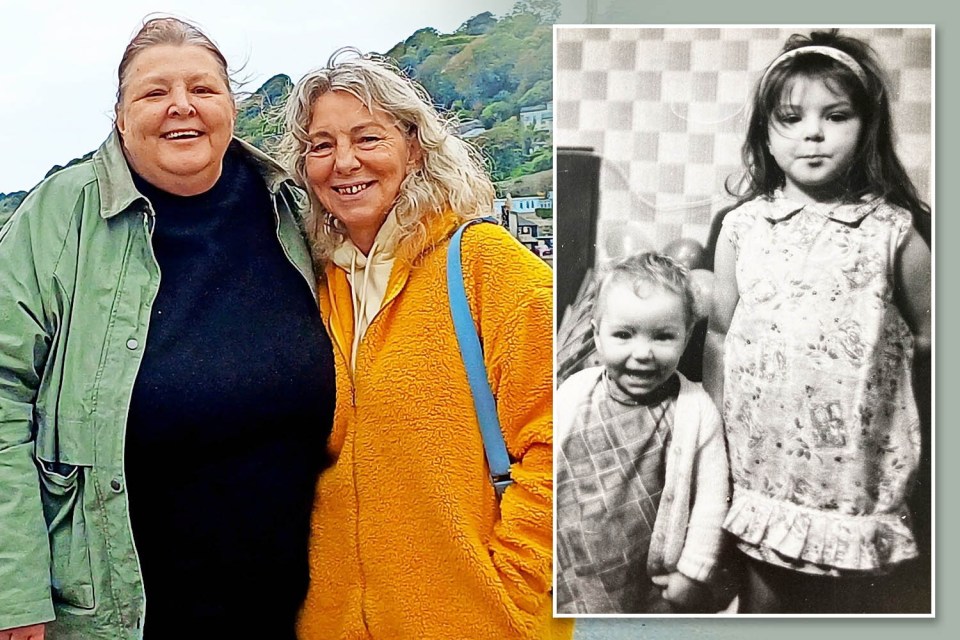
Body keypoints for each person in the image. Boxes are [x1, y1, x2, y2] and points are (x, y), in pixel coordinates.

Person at [0, 17, 335, 640]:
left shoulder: (293, 209)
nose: (182, 105)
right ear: (120, 117)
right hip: (117, 612)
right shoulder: (58, 215)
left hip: (290, 608)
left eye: (203, 90)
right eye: (154, 93)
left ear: (232, 107)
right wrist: (13, 591)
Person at [279, 51, 570, 639]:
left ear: (415, 148)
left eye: (368, 137)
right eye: (321, 145)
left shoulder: (488, 268)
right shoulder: (312, 286)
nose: (344, 162)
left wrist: (506, 590)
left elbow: (566, 447)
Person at [703, 29, 932, 613]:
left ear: (866, 128)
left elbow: (935, 334)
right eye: (791, 117)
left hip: (858, 468)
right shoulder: (742, 229)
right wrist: (710, 437)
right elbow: (723, 335)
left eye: (836, 115)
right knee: (764, 601)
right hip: (761, 466)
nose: (813, 132)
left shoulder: (894, 231)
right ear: (765, 132)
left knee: (854, 608)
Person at [554, 253, 729, 614]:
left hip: (643, 585)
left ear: (687, 336)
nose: (643, 353)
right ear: (597, 336)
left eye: (663, 337)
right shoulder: (573, 393)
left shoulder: (696, 411)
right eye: (623, 335)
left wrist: (693, 574)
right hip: (565, 570)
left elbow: (712, 502)